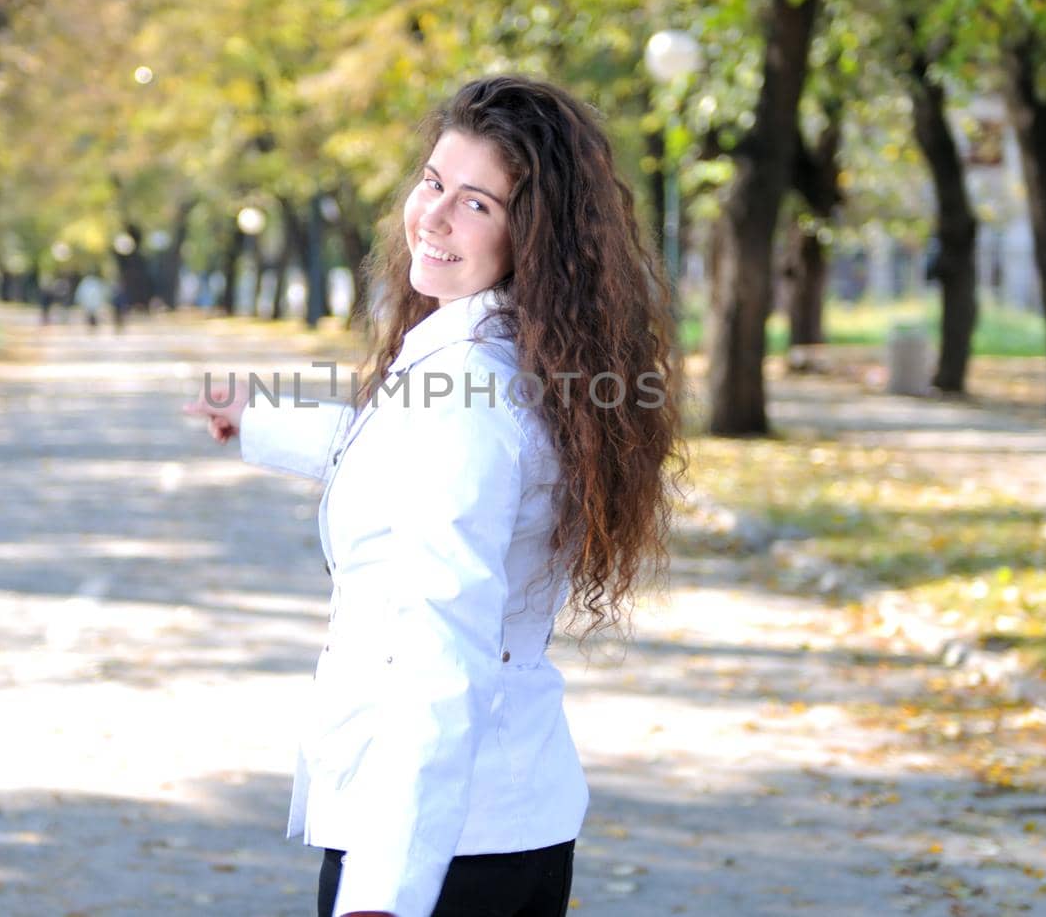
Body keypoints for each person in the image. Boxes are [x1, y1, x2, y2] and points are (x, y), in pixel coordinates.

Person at [185, 75, 681, 917]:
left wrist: (384, 888)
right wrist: (264, 422)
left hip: (439, 850)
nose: (436, 217)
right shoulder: (506, 361)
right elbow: (414, 458)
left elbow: (438, 650)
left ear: (533, 235)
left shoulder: (464, 390)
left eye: (478, 204)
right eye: (433, 183)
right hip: (499, 825)